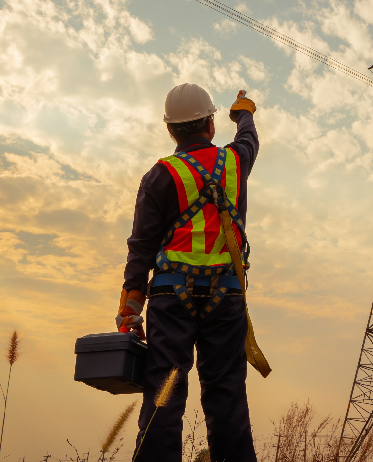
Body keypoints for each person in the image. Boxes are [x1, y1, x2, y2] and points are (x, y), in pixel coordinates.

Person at [116, 83, 259, 462]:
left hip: (169, 297)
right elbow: (249, 140)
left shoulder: (160, 175)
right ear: (210, 125)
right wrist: (243, 110)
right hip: (225, 298)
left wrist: (132, 302)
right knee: (227, 395)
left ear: (170, 130)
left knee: (164, 394)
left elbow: (141, 245)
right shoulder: (234, 162)